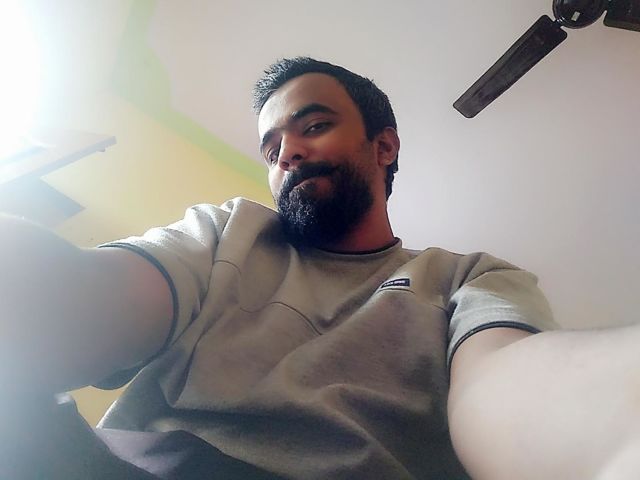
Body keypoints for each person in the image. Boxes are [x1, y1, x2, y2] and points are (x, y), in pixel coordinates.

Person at [0, 57, 638, 479]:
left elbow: (505, 384)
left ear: (384, 146)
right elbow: (87, 302)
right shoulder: (230, 233)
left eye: (314, 125)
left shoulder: (468, 278)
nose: (288, 153)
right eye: (272, 148)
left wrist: (612, 435)